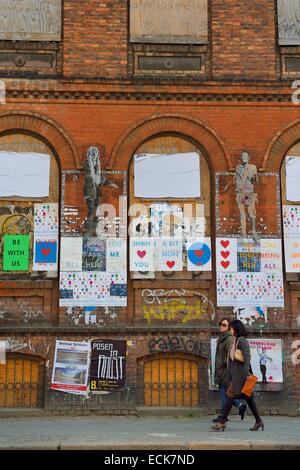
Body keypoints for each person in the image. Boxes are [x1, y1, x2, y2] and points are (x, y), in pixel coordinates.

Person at [211, 319, 264, 432]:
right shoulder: (235, 341)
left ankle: (222, 422)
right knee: (248, 399)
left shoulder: (242, 341)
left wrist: (246, 374)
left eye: (231, 328)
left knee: (230, 397)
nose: (230, 329)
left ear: (235, 329)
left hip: (241, 376)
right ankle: (259, 421)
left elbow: (247, 357)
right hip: (235, 375)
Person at [213, 318, 247, 423]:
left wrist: (224, 366)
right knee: (226, 393)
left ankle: (224, 416)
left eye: (224, 325)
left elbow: (229, 356)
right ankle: (240, 405)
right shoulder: (223, 338)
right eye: (220, 324)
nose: (221, 326)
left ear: (229, 327)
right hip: (221, 371)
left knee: (225, 393)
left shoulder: (228, 339)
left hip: (226, 371)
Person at [233, 151, 259, 243]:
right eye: (242, 156)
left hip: (250, 193)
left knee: (252, 214)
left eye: (245, 156)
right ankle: (244, 233)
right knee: (242, 214)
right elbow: (236, 180)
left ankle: (253, 230)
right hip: (240, 193)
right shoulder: (238, 168)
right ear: (241, 158)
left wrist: (254, 178)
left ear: (249, 158)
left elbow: (256, 180)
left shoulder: (253, 167)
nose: (244, 157)